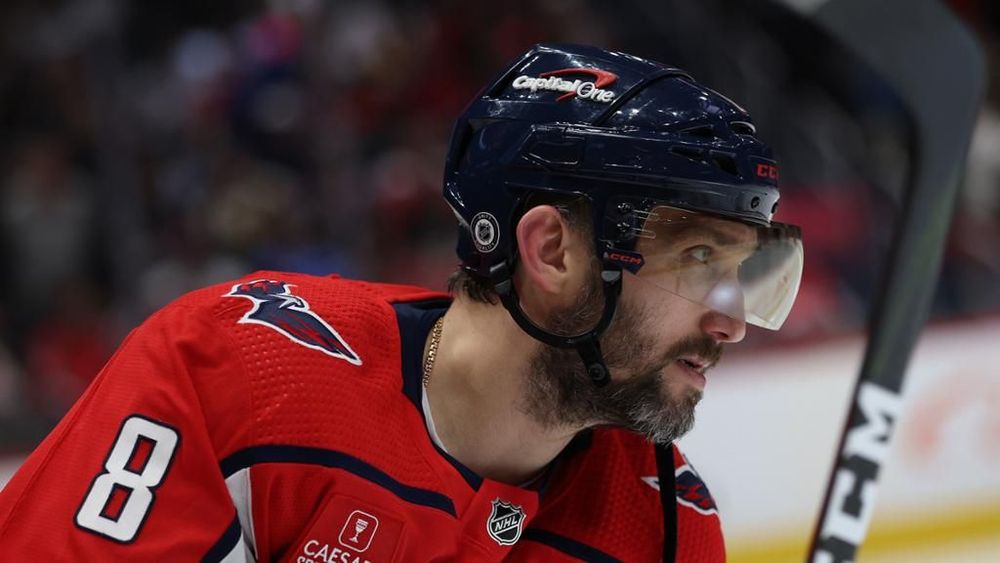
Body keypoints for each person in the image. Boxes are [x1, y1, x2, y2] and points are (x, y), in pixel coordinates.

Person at [0, 44, 803, 562]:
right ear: (552, 251)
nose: (731, 320)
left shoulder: (664, 527)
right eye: (699, 259)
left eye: (743, 272)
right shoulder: (233, 375)